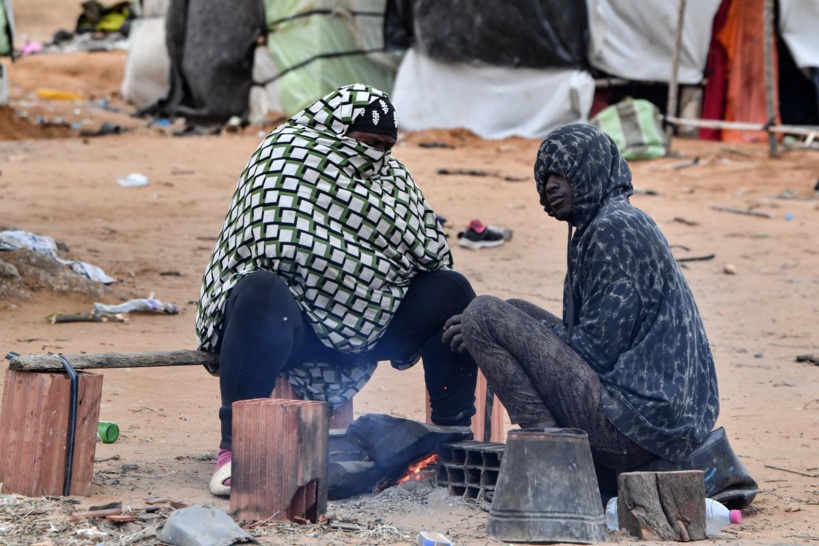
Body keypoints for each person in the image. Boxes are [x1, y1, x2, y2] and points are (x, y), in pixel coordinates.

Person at [444, 124, 756, 506]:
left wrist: (489, 330)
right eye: (545, 178)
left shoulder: (613, 229)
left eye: (563, 174)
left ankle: (562, 469)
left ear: (590, 170)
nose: (551, 186)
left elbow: (593, 352)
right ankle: (569, 459)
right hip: (659, 424)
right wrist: (512, 327)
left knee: (483, 314)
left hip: (640, 428)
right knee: (510, 310)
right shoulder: (606, 223)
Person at [197, 84, 477, 496]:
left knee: (452, 290)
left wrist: (360, 272)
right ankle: (234, 451)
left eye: (385, 146)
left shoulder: (392, 177)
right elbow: (272, 244)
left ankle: (453, 434)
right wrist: (358, 262)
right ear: (335, 130)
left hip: (371, 323)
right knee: (259, 290)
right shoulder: (284, 157)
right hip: (291, 328)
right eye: (366, 143)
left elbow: (432, 253)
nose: (375, 155)